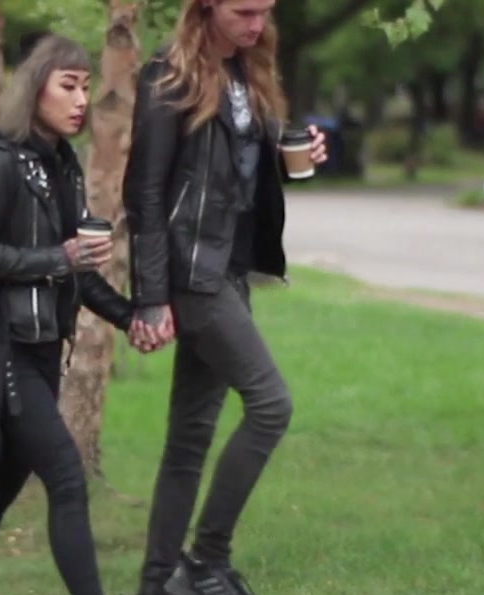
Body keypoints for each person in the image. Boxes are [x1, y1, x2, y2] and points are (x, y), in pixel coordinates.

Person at [0, 34, 140, 595]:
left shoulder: (63, 165)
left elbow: (77, 270)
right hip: (6, 347)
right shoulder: (0, 163)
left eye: (86, 87)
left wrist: (129, 317)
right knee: (66, 477)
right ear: (35, 89)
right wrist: (57, 257)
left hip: (42, 351)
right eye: (68, 86)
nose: (81, 100)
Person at [121, 1, 329, 594]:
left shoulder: (246, 69)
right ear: (207, 6)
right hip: (194, 275)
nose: (256, 25)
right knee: (271, 405)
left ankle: (158, 582)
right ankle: (206, 558)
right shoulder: (169, 75)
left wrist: (293, 153)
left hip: (230, 267)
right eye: (243, 11)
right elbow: (145, 193)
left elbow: (236, 167)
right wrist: (151, 297)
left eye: (265, 12)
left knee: (189, 437)